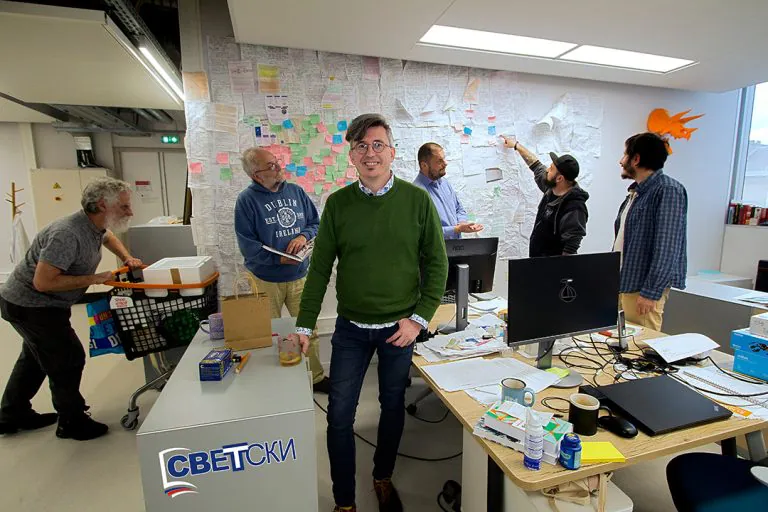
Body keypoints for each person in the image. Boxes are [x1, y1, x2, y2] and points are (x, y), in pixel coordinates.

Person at [287, 114, 448, 512]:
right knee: (339, 416)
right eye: (361, 146)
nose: (370, 153)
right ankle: (344, 501)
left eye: (378, 145)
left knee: (393, 407)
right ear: (352, 156)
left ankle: (382, 477)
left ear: (392, 152)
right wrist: (304, 325)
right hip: (351, 330)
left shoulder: (417, 201)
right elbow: (319, 269)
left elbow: (437, 264)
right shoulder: (338, 204)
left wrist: (419, 319)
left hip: (399, 329)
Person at [0, 177, 141, 440]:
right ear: (102, 205)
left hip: (44, 304)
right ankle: (71, 421)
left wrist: (126, 257)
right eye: (123, 206)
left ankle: (12, 414)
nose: (129, 211)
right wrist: (93, 278)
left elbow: (108, 237)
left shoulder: (94, 226)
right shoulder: (67, 234)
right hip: (32, 305)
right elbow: (43, 282)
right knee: (67, 358)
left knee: (34, 359)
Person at [234, 147, 328, 392]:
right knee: (268, 335)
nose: (278, 168)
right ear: (256, 175)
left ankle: (316, 378)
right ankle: (275, 386)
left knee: (309, 330)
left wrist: (302, 236)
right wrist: (279, 260)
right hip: (265, 279)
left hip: (299, 276)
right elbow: (248, 246)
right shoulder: (246, 201)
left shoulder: (296, 191)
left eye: (277, 162)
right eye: (271, 166)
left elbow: (315, 223)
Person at [613, 132, 687, 331]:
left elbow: (667, 247)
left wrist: (651, 292)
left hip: (642, 288)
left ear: (636, 159)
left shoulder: (668, 190)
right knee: (620, 341)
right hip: (626, 281)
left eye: (625, 155)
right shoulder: (637, 193)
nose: (621, 161)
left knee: (641, 343)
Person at [502, 136, 589, 257]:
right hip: (538, 260)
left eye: (551, 169)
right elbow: (536, 166)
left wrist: (560, 268)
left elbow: (571, 247)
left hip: (553, 265)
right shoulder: (552, 188)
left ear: (559, 178)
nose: (547, 170)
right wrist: (516, 145)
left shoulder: (574, 207)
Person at [412, 142, 483, 239]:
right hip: (437, 248)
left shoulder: (444, 183)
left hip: (458, 246)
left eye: (444, 159)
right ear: (424, 165)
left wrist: (462, 223)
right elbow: (424, 232)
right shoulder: (416, 193)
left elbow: (459, 208)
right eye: (439, 161)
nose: (445, 163)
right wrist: (456, 229)